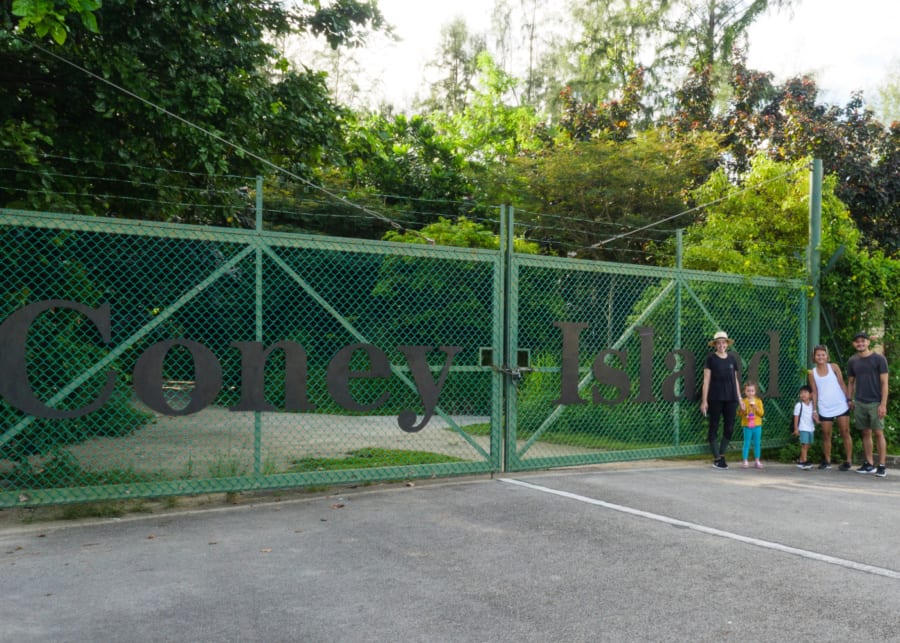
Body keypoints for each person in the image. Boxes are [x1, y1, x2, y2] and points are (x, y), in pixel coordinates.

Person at [846, 332, 889, 477]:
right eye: (857, 342)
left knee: (878, 433)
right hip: (859, 402)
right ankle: (869, 463)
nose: (860, 344)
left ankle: (882, 465)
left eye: (863, 341)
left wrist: (883, 404)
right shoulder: (852, 361)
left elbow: (884, 383)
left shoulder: (879, 359)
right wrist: (850, 399)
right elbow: (851, 382)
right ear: (854, 344)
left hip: (876, 402)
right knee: (865, 432)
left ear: (868, 342)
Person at [700, 330, 743, 469]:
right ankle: (717, 458)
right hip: (715, 398)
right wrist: (704, 401)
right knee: (714, 426)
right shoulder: (710, 359)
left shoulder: (732, 359)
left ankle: (722, 454)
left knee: (729, 427)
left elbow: (735, 380)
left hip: (731, 398)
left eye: (723, 343)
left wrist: (740, 399)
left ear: (727, 344)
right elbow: (706, 380)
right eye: (718, 343)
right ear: (715, 345)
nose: (721, 345)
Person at [808, 344, 853, 470]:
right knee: (826, 434)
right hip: (824, 407)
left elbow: (842, 383)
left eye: (823, 354)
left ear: (827, 356)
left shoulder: (834, 367)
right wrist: (815, 410)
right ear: (814, 357)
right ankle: (827, 461)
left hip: (840, 404)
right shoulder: (812, 373)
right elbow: (815, 391)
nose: (821, 357)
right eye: (818, 355)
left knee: (845, 432)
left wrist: (849, 400)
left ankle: (848, 461)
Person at [738, 381, 765, 468]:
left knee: (757, 443)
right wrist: (742, 409)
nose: (750, 393)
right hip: (747, 425)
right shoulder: (743, 401)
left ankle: (757, 460)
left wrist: (756, 408)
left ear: (755, 391)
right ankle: (745, 461)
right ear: (745, 392)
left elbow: (761, 413)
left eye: (752, 391)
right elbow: (739, 414)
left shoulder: (758, 401)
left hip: (757, 425)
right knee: (747, 443)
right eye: (748, 391)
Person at [793, 385, 815, 469]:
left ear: (810, 394)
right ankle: (805, 462)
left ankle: (801, 460)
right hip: (803, 428)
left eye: (805, 392)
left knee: (808, 445)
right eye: (801, 393)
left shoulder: (813, 405)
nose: (803, 394)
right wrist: (796, 428)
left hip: (811, 428)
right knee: (804, 445)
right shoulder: (799, 405)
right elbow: (796, 417)